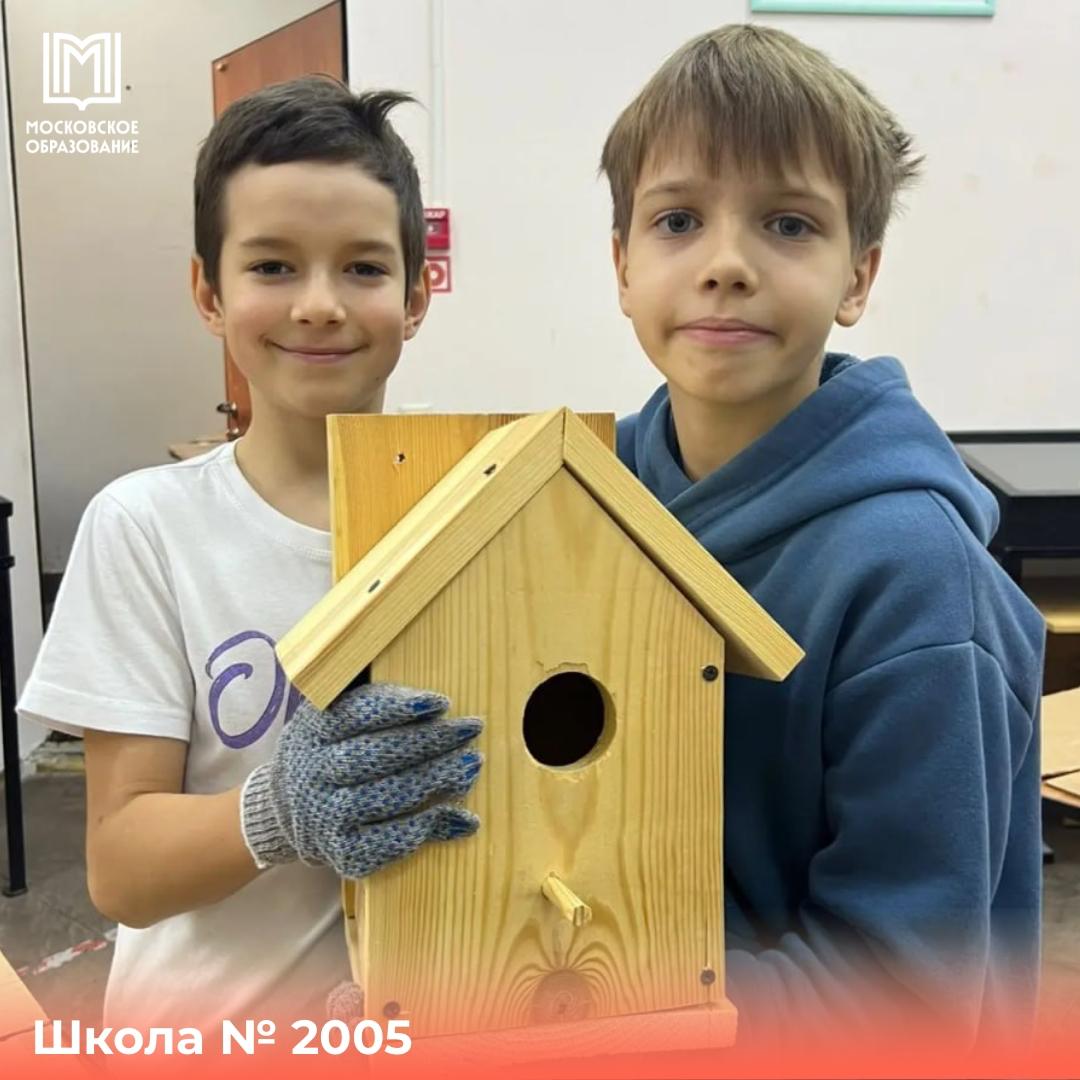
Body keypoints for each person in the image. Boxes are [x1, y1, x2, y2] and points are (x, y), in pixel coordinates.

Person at [600, 24, 1045, 1050]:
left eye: (789, 224)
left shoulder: (916, 578)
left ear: (858, 276)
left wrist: (587, 991)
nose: (726, 265)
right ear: (622, 265)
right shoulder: (585, 497)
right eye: (677, 220)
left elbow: (903, 1007)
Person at [17, 76, 483, 1030]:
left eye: (363, 268)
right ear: (209, 293)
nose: (319, 304)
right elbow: (120, 870)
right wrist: (280, 811)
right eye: (272, 266)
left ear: (417, 295)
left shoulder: (474, 513)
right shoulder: (147, 527)